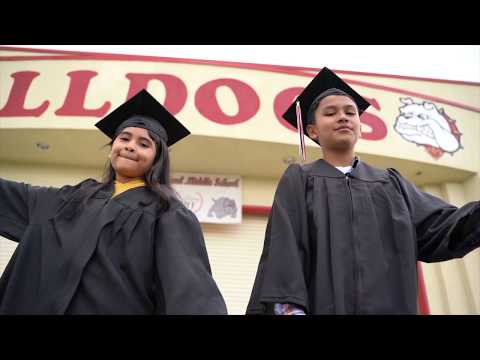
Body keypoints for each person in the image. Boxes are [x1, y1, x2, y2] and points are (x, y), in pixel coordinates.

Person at [246, 67, 480, 315]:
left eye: (350, 112)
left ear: (360, 127)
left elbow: (443, 228)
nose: (343, 117)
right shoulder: (300, 180)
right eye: (330, 113)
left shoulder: (391, 184)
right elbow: (284, 248)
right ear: (312, 130)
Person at [0, 89, 227, 315]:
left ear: (157, 159)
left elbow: (191, 290)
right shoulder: (73, 198)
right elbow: (14, 197)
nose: (130, 146)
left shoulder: (167, 214)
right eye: (124, 138)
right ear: (111, 150)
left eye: (144, 144)